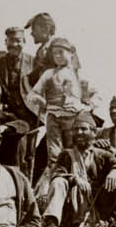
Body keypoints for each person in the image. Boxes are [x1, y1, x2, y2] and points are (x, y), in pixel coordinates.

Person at [38, 110, 116, 227]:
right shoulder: (66, 155)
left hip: (99, 206)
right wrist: (76, 179)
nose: (79, 133)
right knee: (58, 181)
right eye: (76, 129)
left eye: (83, 129)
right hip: (73, 208)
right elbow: (57, 173)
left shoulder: (102, 154)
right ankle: (52, 225)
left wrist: (115, 171)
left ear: (94, 133)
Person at [28, 37, 87, 167]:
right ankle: (56, 178)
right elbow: (32, 93)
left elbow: (94, 94)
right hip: (53, 118)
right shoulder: (49, 73)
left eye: (61, 52)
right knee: (54, 153)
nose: (58, 56)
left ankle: (73, 181)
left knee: (74, 152)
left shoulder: (79, 75)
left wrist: (87, 107)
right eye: (55, 53)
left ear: (71, 53)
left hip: (73, 118)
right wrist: (39, 100)